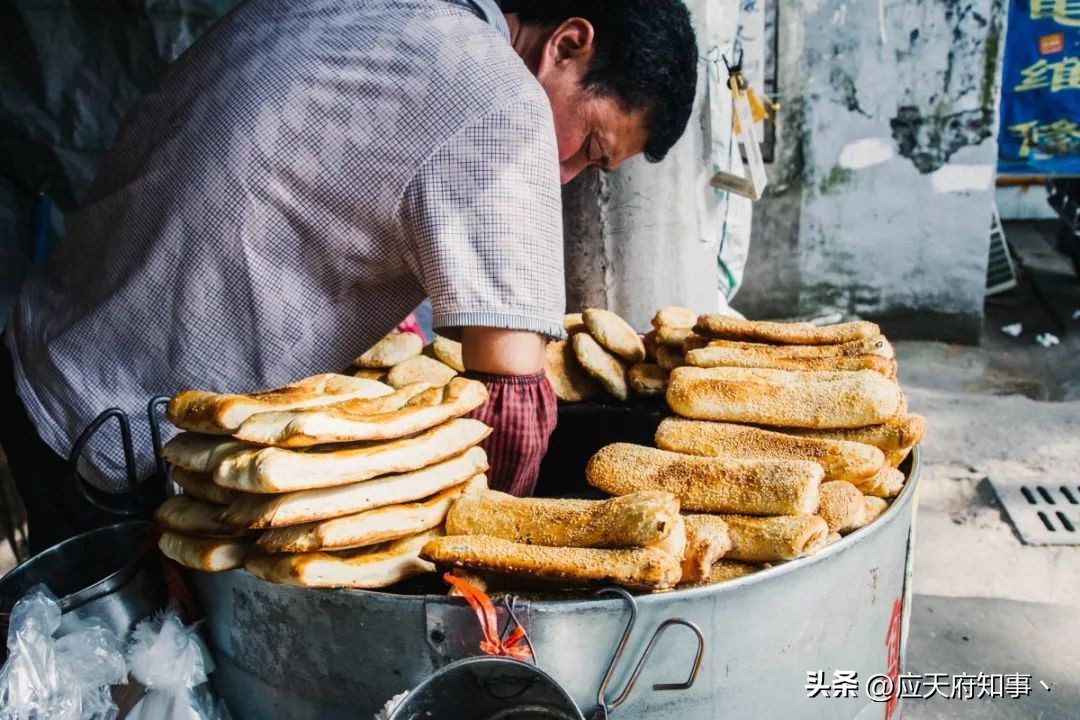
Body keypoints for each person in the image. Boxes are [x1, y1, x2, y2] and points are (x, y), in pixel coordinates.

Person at [1, 0, 698, 553]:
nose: (563, 173)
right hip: (120, 436)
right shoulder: (500, 94)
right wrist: (491, 557)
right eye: (591, 146)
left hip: (42, 353)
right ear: (568, 44)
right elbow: (514, 402)